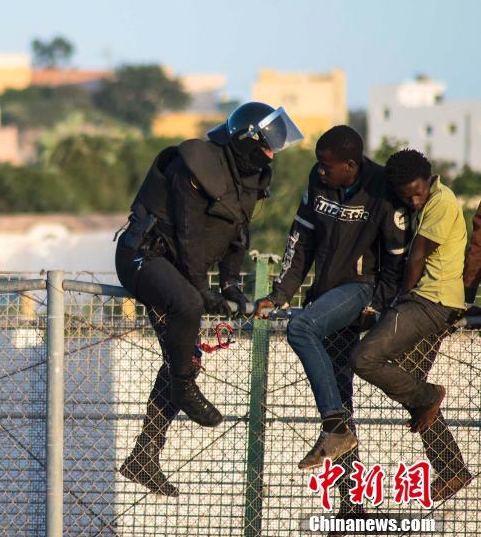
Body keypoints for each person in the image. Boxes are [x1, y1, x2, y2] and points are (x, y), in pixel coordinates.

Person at [115, 101, 302, 496]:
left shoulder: (248, 178)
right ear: (246, 141)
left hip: (178, 269)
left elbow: (237, 236)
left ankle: (144, 457)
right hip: (143, 256)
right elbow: (187, 234)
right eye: (266, 146)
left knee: (187, 356)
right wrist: (202, 289)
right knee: (188, 305)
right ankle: (183, 389)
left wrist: (231, 285)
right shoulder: (197, 164)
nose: (271, 155)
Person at [254, 126, 408, 470]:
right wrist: (279, 295)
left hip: (361, 288)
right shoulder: (318, 180)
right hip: (325, 294)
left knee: (300, 328)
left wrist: (377, 305)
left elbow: (397, 260)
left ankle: (334, 426)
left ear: (350, 166)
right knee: (340, 396)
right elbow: (300, 240)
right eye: (319, 165)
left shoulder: (382, 189)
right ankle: (350, 493)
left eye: (327, 166)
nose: (320, 171)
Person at [352, 149, 471, 503]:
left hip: (431, 301)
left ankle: (429, 397)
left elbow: (417, 255)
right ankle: (452, 469)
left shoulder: (442, 202)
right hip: (430, 301)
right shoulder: (426, 202)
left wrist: (398, 301)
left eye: (418, 193)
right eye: (407, 197)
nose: (415, 201)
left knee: (364, 358)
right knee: (409, 386)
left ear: (429, 178)